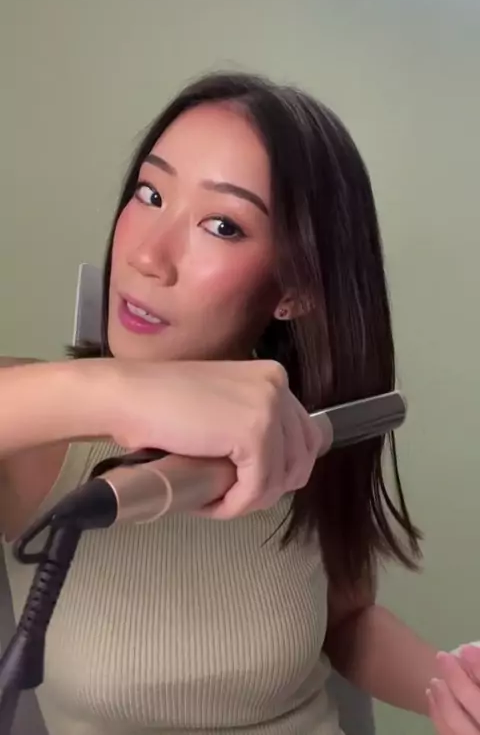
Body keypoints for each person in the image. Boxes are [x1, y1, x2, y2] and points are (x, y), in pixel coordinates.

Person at [0, 71, 478, 735]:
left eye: (221, 225)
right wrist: (114, 389)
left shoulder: (300, 433)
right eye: (149, 193)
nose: (146, 255)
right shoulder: (34, 426)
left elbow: (344, 621)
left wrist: (450, 687)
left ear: (295, 290)